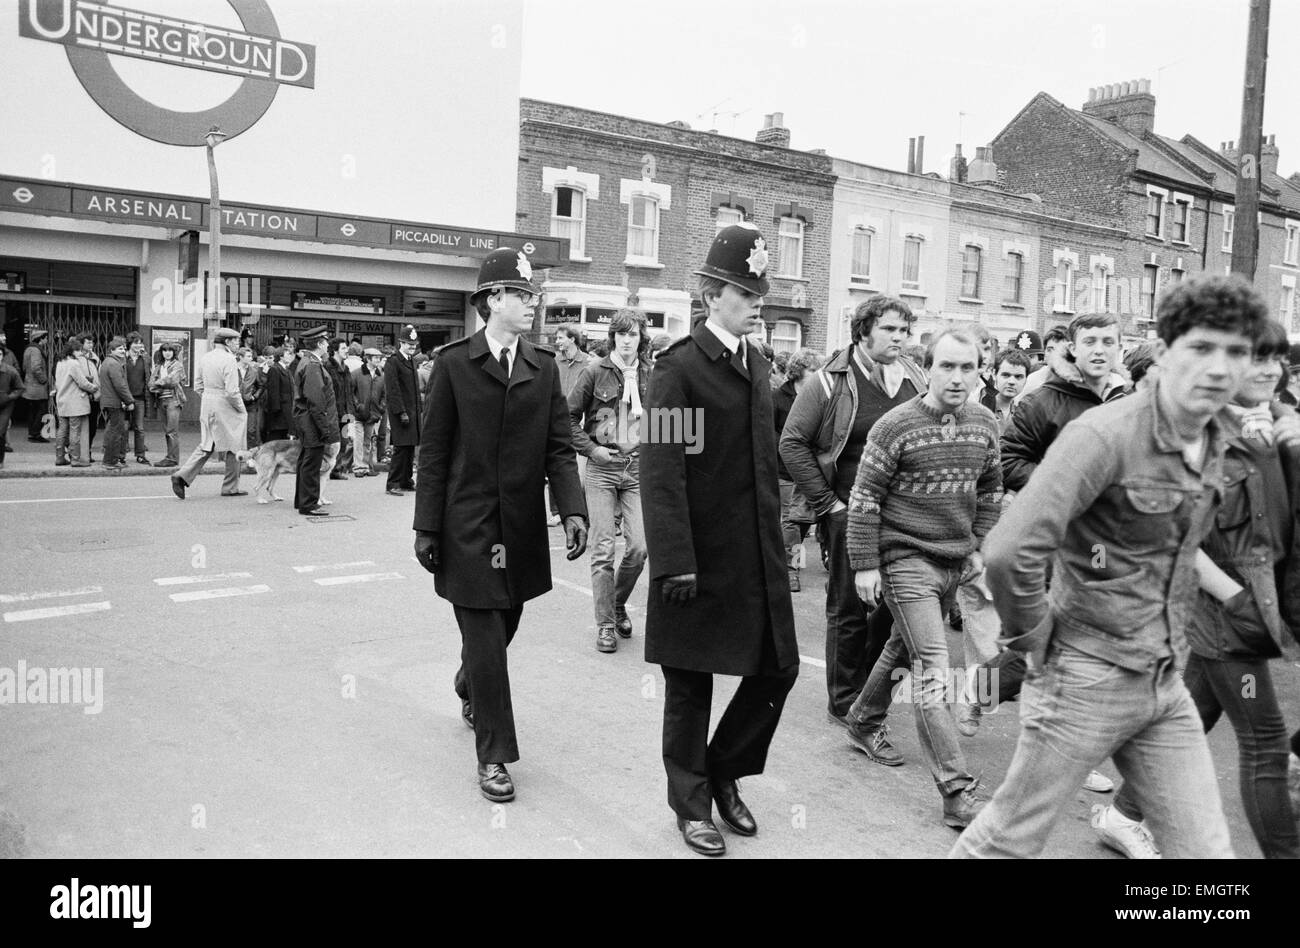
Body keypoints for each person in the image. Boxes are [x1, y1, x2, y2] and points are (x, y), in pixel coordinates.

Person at [950, 274, 1273, 859]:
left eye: (1238, 352)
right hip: (1085, 676)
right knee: (1006, 841)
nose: (1221, 367)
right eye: (1203, 347)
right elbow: (1009, 549)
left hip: (1164, 679)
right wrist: (1034, 638)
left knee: (1207, 856)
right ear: (1167, 350)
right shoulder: (1104, 435)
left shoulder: (1220, 435)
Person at [1092, 319, 1300, 860]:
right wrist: (1235, 598)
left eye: (1276, 359)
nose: (1270, 370)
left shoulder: (1279, 429)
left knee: (1200, 710)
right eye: (1256, 358)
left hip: (1267, 608)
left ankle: (1123, 813)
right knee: (1265, 743)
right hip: (1224, 614)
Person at [641, 223, 800, 857]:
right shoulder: (677, 370)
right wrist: (673, 559)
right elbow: (662, 469)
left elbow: (765, 463)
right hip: (698, 559)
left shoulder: (757, 363)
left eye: (759, 289)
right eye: (743, 289)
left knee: (778, 670)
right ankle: (691, 804)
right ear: (712, 294)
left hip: (754, 557)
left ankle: (723, 769)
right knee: (690, 684)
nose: (756, 299)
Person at [413, 246, 588, 804]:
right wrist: (426, 527)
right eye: (521, 294)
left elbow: (560, 449)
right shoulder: (454, 363)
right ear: (493, 301)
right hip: (467, 526)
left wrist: (574, 509)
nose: (531, 304)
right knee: (486, 633)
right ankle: (494, 754)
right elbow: (434, 451)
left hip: (519, 530)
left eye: (532, 295)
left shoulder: (543, 368)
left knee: (505, 622)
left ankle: (468, 684)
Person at [843, 331, 1003, 829]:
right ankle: (956, 791)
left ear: (980, 371)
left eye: (968, 368)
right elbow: (865, 497)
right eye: (947, 367)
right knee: (933, 663)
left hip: (954, 558)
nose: (957, 378)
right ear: (926, 368)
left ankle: (864, 719)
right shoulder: (895, 426)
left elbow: (992, 486)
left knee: (901, 646)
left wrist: (979, 544)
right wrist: (865, 564)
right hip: (904, 558)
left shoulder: (985, 421)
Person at [779, 296, 927, 724]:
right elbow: (792, 443)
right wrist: (830, 506)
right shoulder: (829, 382)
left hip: (903, 516)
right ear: (863, 331)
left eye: (904, 330)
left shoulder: (914, 378)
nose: (900, 338)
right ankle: (844, 702)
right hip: (849, 512)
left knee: (890, 607)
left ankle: (867, 690)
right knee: (849, 609)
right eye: (890, 330)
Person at [568, 307, 650, 653]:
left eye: (633, 334)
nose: (627, 340)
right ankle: (605, 624)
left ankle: (616, 605)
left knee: (640, 547)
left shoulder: (651, 373)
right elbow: (567, 420)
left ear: (641, 339)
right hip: (603, 467)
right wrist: (592, 451)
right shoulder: (593, 371)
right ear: (612, 337)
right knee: (602, 549)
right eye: (621, 334)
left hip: (636, 469)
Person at [1000, 312, 1127, 495]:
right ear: (1073, 348)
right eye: (1089, 342)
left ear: (1119, 348)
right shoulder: (1040, 403)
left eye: (1108, 342)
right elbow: (1009, 461)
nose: (1099, 350)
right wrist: (1063, 487)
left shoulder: (1128, 402)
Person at [170, 328, 247, 500]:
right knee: (234, 445)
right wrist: (241, 409)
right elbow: (232, 391)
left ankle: (182, 475)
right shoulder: (229, 359)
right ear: (227, 342)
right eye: (235, 341)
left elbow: (198, 385)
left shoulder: (206, 357)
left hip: (207, 402)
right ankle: (230, 487)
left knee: (207, 443)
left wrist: (209, 396)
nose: (238, 344)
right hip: (225, 405)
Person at [772, 348, 823, 592]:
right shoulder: (778, 397)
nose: (816, 374)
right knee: (790, 519)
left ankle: (793, 560)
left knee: (802, 519)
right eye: (812, 370)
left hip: (810, 468)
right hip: (784, 468)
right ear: (799, 371)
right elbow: (770, 432)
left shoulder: (819, 396)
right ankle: (790, 569)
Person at [291, 326, 340, 517]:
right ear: (319, 344)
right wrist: (324, 428)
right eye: (326, 342)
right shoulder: (313, 365)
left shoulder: (307, 362)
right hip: (312, 421)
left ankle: (302, 500)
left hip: (306, 420)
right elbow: (316, 401)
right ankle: (309, 504)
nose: (328, 346)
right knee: (312, 463)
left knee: (306, 461)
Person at [383, 325, 420, 496]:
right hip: (402, 412)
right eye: (408, 344)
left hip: (412, 412)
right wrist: (401, 412)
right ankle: (393, 483)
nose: (412, 347)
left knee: (410, 448)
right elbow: (393, 390)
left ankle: (406, 480)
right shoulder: (393, 361)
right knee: (400, 449)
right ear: (401, 343)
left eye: (414, 345)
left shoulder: (411, 360)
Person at [53, 340, 97, 467]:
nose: (80, 353)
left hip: (61, 400)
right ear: (72, 351)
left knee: (62, 430)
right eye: (78, 350)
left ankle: (59, 457)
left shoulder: (60, 363)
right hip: (74, 402)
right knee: (75, 431)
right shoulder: (74, 364)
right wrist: (94, 388)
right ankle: (75, 459)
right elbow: (82, 382)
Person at [97, 336, 133, 471]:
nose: (123, 351)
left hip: (109, 401)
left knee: (113, 431)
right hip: (114, 402)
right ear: (111, 350)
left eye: (124, 349)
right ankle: (110, 461)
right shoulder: (114, 364)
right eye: (119, 349)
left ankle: (111, 459)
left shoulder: (107, 362)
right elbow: (120, 385)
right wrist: (129, 400)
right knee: (115, 433)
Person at [149, 342, 186, 467]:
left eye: (170, 350)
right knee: (167, 431)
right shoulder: (159, 366)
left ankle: (173, 459)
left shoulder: (178, 365)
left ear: (174, 352)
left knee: (172, 431)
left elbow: (172, 380)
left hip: (173, 400)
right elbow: (151, 384)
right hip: (161, 400)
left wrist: (158, 383)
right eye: (165, 350)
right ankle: (169, 456)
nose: (167, 352)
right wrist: (159, 385)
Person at [349, 348, 385, 477]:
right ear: (368, 359)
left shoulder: (381, 375)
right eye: (375, 358)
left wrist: (381, 407)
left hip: (373, 414)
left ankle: (366, 466)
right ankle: (359, 467)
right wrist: (357, 406)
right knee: (358, 441)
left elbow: (385, 395)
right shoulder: (356, 374)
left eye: (379, 358)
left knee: (368, 441)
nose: (378, 360)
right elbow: (351, 392)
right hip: (359, 414)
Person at [1016, 324, 1069, 404]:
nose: (1054, 354)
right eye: (1049, 350)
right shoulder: (1034, 380)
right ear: (1045, 354)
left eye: (1060, 349)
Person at [988, 347, 1031, 433]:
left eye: (1018, 377)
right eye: (1006, 375)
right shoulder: (980, 406)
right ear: (993, 374)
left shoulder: (1025, 416)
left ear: (1026, 378)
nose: (1011, 382)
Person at [124, 333, 151, 464]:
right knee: (123, 427)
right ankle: (121, 454)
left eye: (140, 342)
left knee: (139, 428)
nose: (138, 345)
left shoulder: (145, 358)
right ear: (129, 344)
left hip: (139, 397)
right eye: (135, 342)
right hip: (124, 398)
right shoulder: (123, 358)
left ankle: (140, 454)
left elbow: (149, 375)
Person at [262, 346, 296, 441]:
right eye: (288, 354)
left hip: (287, 410)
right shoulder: (275, 369)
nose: (290, 356)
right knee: (275, 439)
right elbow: (273, 393)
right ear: (281, 356)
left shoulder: (287, 370)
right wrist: (275, 412)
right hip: (279, 413)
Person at [23, 329, 50, 443]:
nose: (47, 340)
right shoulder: (36, 350)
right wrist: (44, 380)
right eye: (46, 338)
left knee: (33, 410)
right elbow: (36, 368)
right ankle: (35, 434)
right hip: (36, 386)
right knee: (41, 409)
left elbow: (24, 367)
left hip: (29, 385)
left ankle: (32, 433)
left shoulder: (28, 349)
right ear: (41, 339)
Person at [0, 346, 23, 467]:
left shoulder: (10, 371)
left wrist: (9, 397)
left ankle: (0, 460)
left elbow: (19, 388)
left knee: (1, 431)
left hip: (5, 406)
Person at [238, 347, 264, 454]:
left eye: (251, 356)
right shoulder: (233, 369)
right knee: (237, 431)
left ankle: (251, 454)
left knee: (251, 430)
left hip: (250, 404)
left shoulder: (253, 371)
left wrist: (255, 396)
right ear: (240, 357)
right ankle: (237, 453)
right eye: (248, 356)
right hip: (236, 403)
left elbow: (261, 386)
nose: (251, 358)